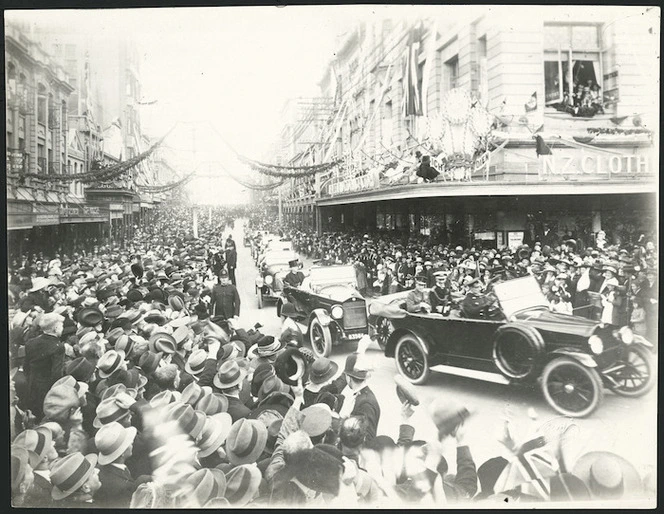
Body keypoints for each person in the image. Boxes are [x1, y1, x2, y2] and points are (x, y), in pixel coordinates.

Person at [23, 313, 66, 420]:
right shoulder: (58, 346)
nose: (62, 328)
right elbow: (57, 374)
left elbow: (26, 367)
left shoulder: (30, 342)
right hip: (47, 388)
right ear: (55, 328)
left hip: (32, 385)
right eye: (61, 325)